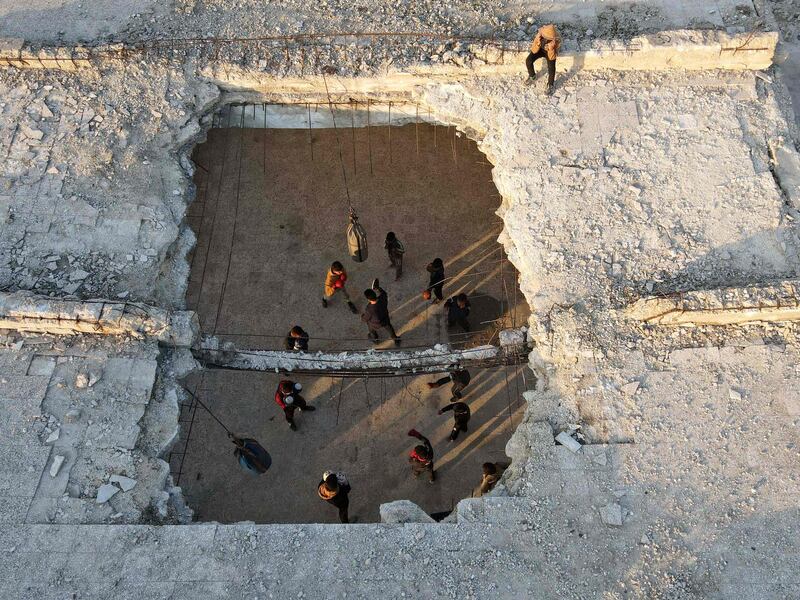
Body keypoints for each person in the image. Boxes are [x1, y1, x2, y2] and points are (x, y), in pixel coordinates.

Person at [524, 24, 561, 95]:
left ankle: (550, 85)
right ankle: (532, 76)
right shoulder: (540, 35)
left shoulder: (556, 40)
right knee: (528, 60)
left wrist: (551, 48)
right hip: (539, 50)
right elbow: (534, 49)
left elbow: (554, 55)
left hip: (549, 53)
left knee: (551, 68)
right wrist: (537, 42)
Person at [362, 278, 401, 345]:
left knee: (370, 329)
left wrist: (362, 316)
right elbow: (384, 293)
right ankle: (396, 340)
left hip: (375, 324)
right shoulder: (382, 298)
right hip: (385, 319)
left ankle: (376, 340)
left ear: (368, 299)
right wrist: (378, 288)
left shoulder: (369, 309)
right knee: (389, 328)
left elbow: (365, 319)